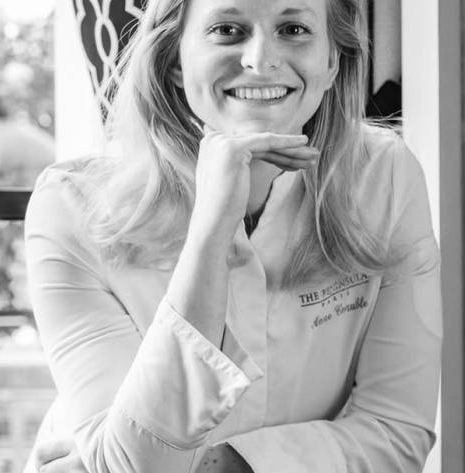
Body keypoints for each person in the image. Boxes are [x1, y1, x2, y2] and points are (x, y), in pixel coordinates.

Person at [23, 0, 442, 471]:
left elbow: (397, 433)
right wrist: (211, 229)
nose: (261, 60)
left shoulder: (384, 176)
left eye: (293, 29)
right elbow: (131, 466)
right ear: (174, 60)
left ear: (331, 62)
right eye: (226, 29)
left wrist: (220, 465)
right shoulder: (72, 206)